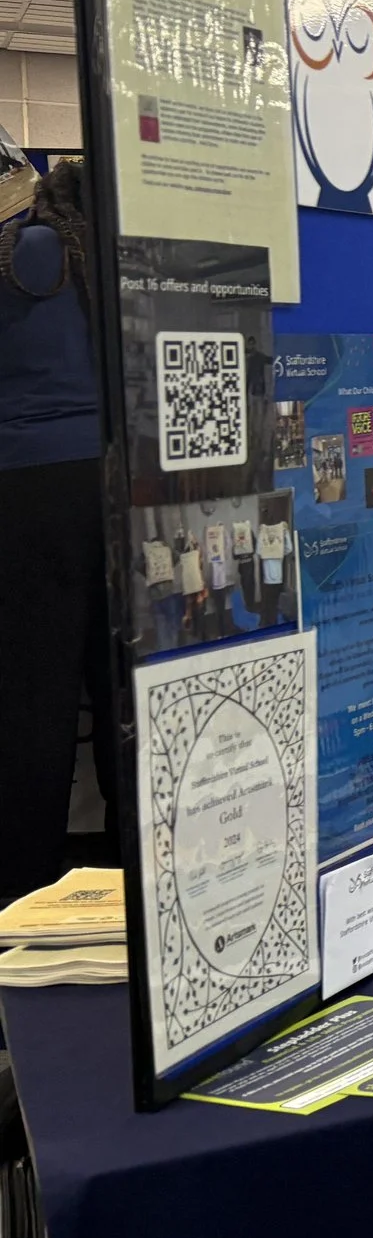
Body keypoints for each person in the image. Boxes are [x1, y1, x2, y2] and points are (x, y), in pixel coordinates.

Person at [0, 155, 115, 902]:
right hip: (113, 488)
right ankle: (127, 875)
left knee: (28, 710)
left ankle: (21, 894)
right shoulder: (114, 257)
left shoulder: (13, 251)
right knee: (120, 696)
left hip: (20, 494)